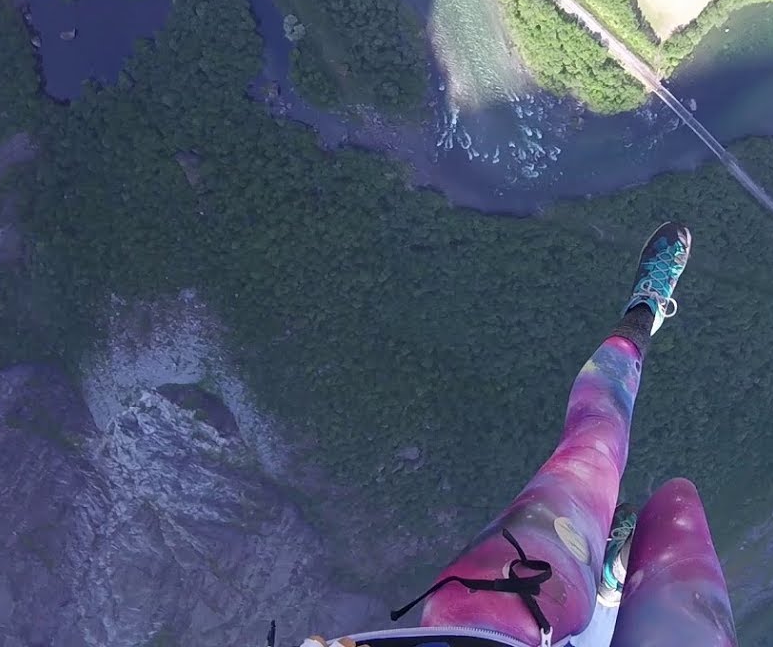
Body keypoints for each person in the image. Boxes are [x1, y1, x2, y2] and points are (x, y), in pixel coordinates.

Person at [301, 222, 737, 647]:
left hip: (496, 624)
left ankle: (643, 314)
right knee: (673, 515)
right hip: (507, 622)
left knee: (605, 456)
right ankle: (609, 583)